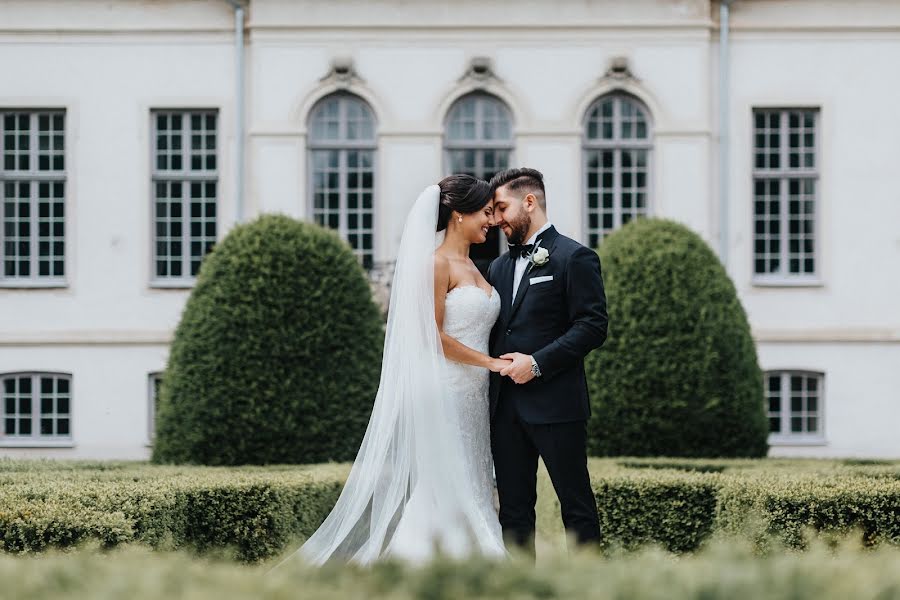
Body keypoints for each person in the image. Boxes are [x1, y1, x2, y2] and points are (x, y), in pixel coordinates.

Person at [274, 175, 508, 567]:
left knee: (476, 480)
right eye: (486, 212)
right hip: (446, 390)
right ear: (458, 214)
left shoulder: (475, 266)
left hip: (476, 395)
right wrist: (491, 363)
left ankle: (454, 563)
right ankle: (438, 562)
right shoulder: (436, 264)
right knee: (447, 484)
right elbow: (432, 336)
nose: (491, 221)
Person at [487, 167, 609, 558]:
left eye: (501, 207)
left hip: (557, 404)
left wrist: (537, 363)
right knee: (514, 513)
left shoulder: (575, 257)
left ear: (529, 201)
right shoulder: (498, 267)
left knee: (576, 508)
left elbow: (592, 326)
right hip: (505, 408)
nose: (497, 219)